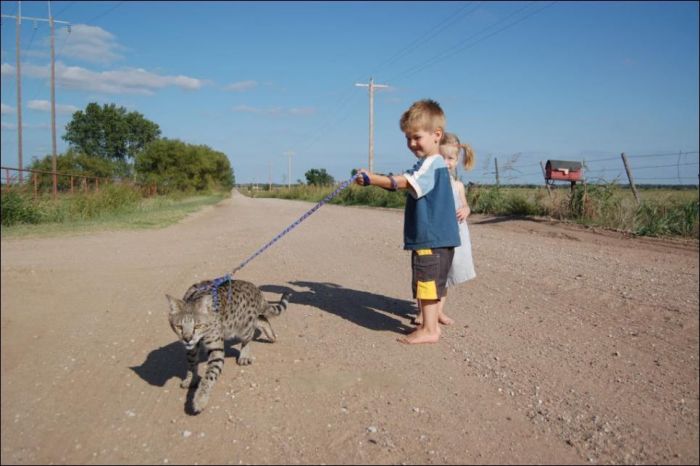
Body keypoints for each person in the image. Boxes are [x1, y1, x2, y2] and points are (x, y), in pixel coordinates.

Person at [355, 99, 460, 344]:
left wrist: (373, 179)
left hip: (430, 238)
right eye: (407, 138)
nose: (411, 144)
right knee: (434, 282)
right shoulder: (431, 164)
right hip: (439, 238)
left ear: (437, 135)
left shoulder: (432, 164)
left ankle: (430, 329)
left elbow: (403, 182)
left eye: (416, 137)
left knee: (426, 282)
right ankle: (429, 321)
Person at [413, 132, 477, 327]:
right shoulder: (430, 179)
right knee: (428, 272)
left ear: (457, 160)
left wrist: (466, 209)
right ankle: (423, 313)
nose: (446, 162)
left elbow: (465, 206)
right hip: (434, 234)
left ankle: (438, 311)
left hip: (455, 235)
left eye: (451, 158)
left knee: (446, 275)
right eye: (442, 157)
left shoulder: (458, 186)